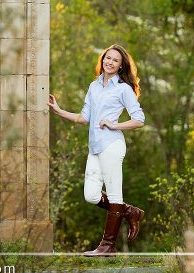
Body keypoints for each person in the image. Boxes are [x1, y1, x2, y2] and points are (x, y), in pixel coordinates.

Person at [47, 44, 146, 256]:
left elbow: (139, 120)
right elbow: (84, 118)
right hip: (95, 148)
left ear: (121, 66)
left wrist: (115, 125)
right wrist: (58, 110)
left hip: (112, 145)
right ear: (102, 60)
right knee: (91, 195)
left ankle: (107, 246)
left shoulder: (123, 89)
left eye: (115, 60)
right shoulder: (94, 86)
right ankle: (130, 212)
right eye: (107, 58)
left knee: (114, 193)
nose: (109, 62)